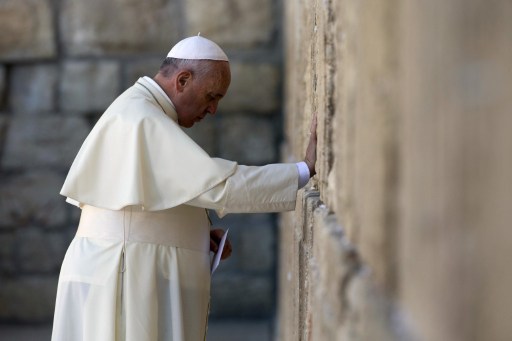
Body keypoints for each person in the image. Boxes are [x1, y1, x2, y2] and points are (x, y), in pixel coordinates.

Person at [51, 35, 317, 341]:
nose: (213, 109)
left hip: (119, 269)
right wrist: (303, 171)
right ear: (183, 80)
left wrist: (195, 233)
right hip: (120, 277)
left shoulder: (142, 110)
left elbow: (145, 204)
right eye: (211, 96)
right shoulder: (142, 119)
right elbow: (221, 185)